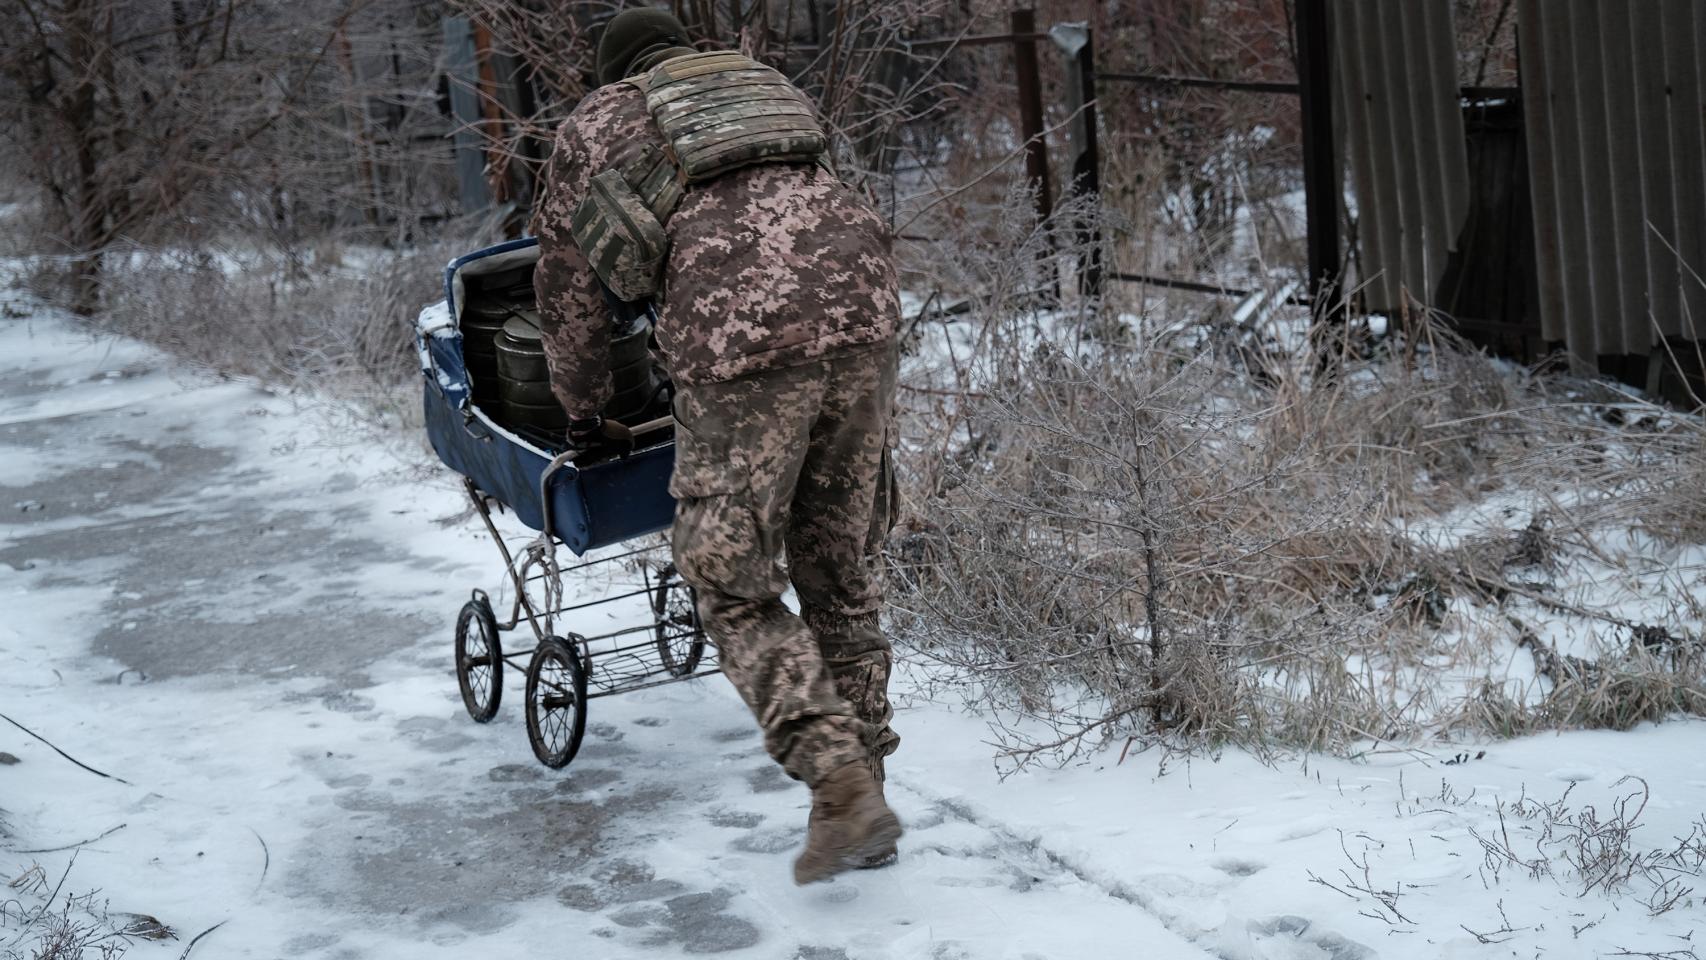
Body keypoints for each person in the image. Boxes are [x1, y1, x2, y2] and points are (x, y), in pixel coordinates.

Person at [529, 6, 903, 885]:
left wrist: (582, 413)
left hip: (742, 345)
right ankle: (863, 801)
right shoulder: (759, 86)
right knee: (837, 573)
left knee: (728, 583)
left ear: (613, 71)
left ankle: (841, 786)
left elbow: (568, 291)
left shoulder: (597, 122)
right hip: (867, 318)